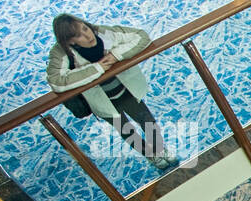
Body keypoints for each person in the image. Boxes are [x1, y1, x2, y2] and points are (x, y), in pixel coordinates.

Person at [46, 15, 173, 171]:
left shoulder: (103, 32)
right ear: (70, 41)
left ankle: (160, 149)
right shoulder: (60, 52)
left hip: (125, 90)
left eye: (85, 28)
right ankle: (151, 155)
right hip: (101, 100)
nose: (88, 36)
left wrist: (115, 55)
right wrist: (97, 68)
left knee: (148, 121)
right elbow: (56, 81)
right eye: (79, 35)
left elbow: (141, 36)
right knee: (126, 130)